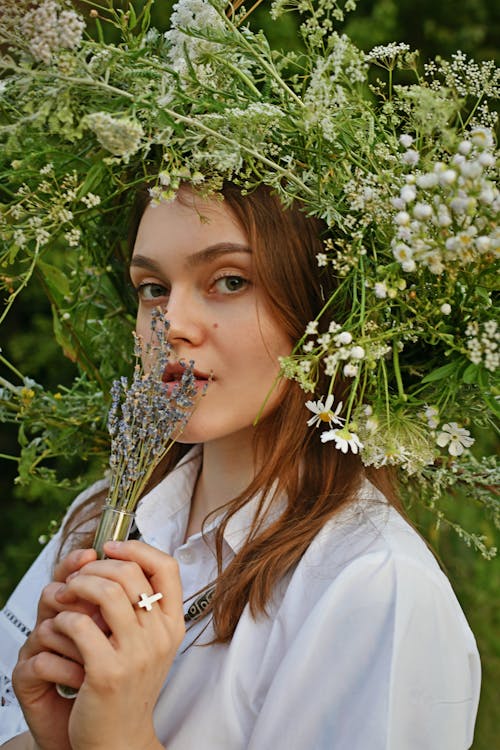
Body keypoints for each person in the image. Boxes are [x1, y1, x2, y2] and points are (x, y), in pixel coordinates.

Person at [0, 183, 481, 749]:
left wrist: (120, 737)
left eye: (230, 281)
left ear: (324, 307)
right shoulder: (101, 514)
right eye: (153, 288)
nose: (172, 323)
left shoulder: (374, 588)